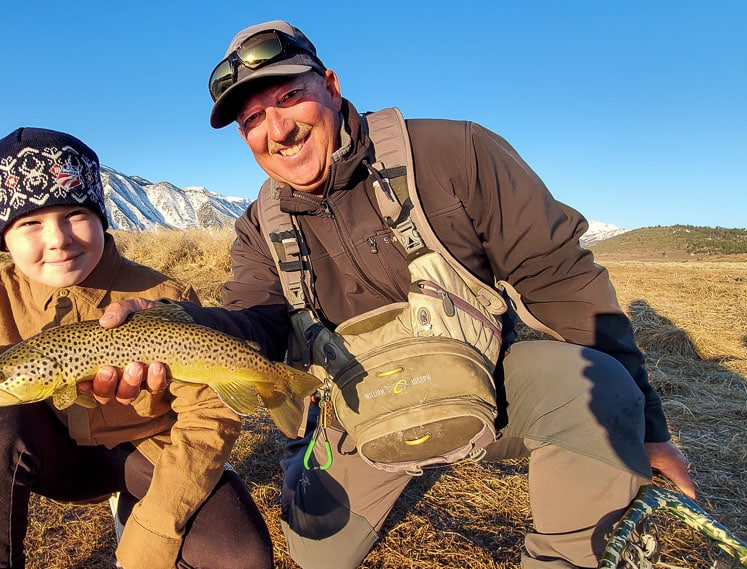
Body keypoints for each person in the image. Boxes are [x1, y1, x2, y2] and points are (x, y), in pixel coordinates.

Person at [90, 20, 697, 569]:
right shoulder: (258, 226)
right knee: (318, 553)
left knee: (595, 386)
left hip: (491, 380)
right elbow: (261, 321)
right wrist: (177, 325)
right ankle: (324, 454)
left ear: (330, 84)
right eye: (251, 120)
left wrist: (649, 428)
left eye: (288, 96)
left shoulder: (455, 152)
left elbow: (563, 281)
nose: (276, 130)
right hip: (359, 401)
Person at [0, 127, 272, 569]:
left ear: (102, 216)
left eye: (75, 214)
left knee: (243, 557)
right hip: (55, 460)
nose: (58, 238)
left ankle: (134, 507)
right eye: (29, 223)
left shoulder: (164, 293)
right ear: (3, 237)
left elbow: (209, 415)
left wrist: (151, 536)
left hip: (155, 453)